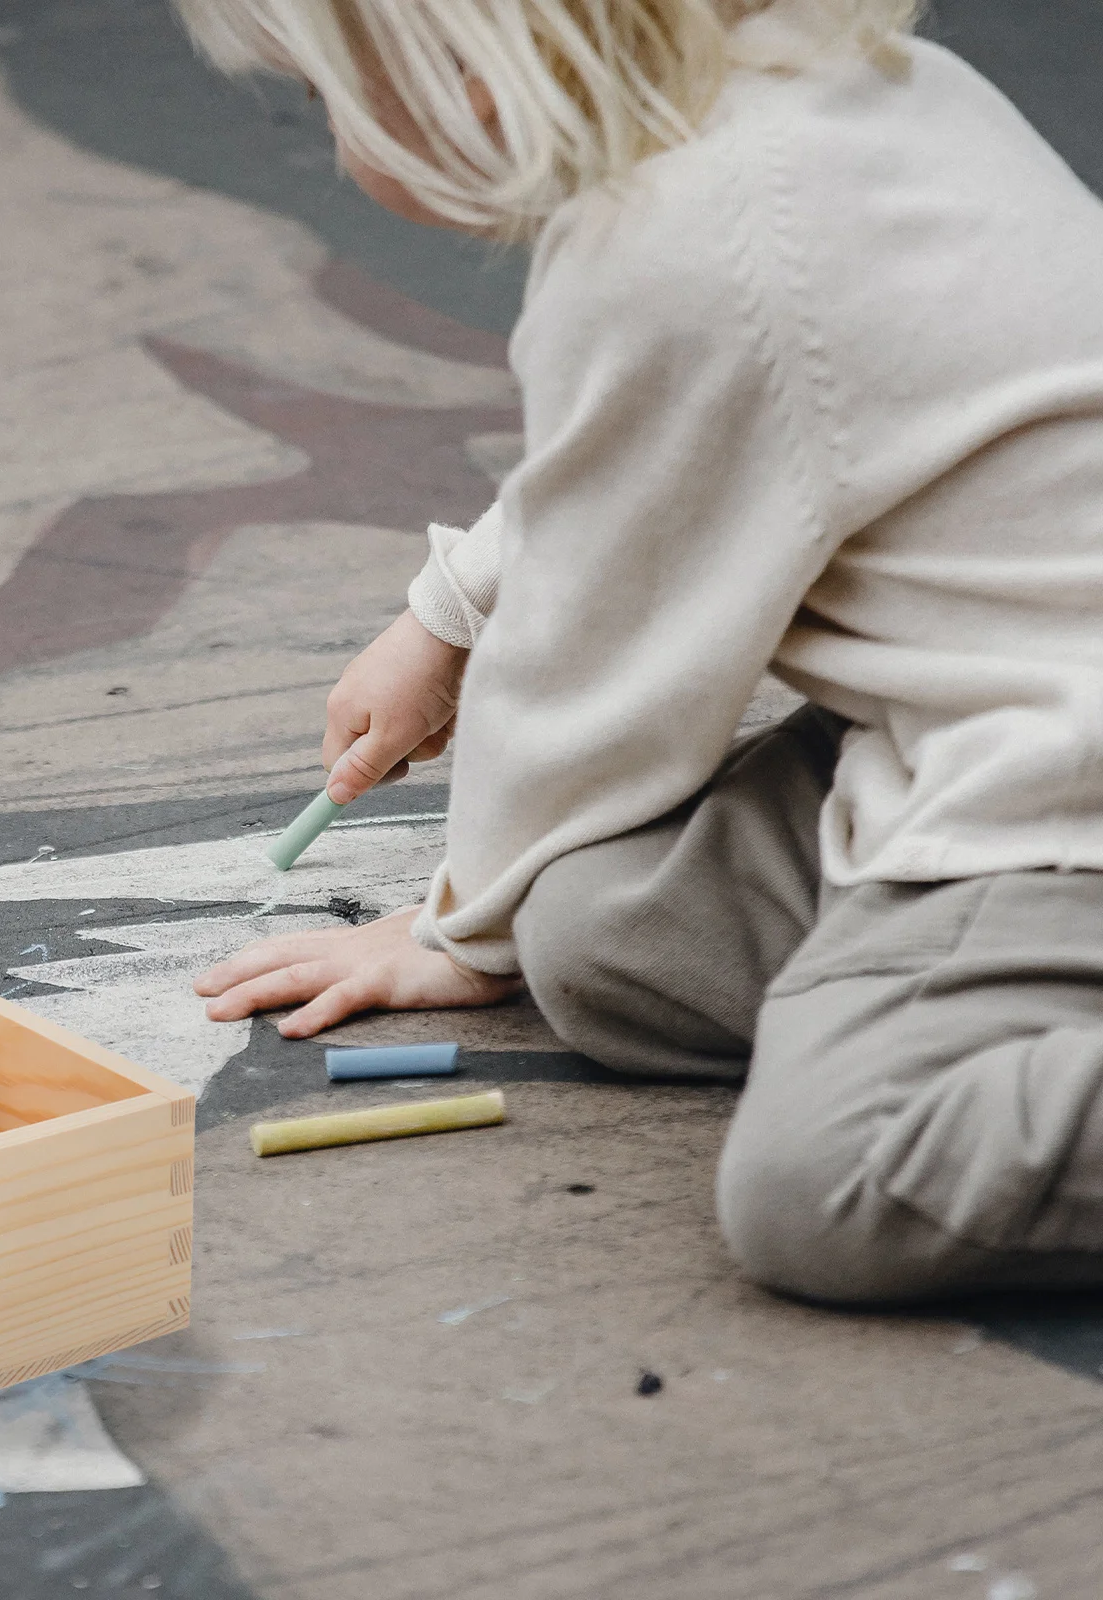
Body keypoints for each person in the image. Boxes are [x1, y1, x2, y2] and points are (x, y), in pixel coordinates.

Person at [179, 0, 1103, 1304]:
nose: (335, 143)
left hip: (1061, 776)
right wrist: (444, 617)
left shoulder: (678, 248)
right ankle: (959, 988)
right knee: (600, 936)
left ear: (467, 74)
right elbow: (644, 467)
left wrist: (455, 924)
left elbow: (594, 671)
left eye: (329, 96)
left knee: (830, 1178)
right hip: (989, 708)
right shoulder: (852, 93)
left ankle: (968, 1016)